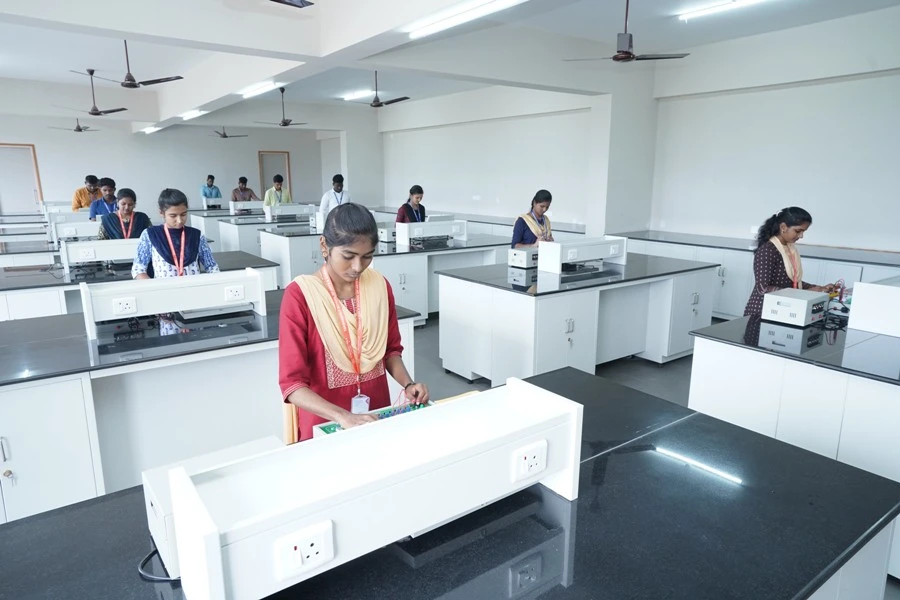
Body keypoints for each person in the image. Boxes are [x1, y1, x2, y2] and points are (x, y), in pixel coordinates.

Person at [279, 203, 429, 442]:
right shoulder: (300, 296)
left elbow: (391, 351)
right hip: (326, 424)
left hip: (376, 414)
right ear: (324, 246)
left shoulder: (379, 287)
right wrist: (343, 417)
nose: (358, 267)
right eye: (348, 256)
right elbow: (292, 384)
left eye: (367, 256)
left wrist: (408, 384)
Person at [132, 189, 220, 335]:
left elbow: (212, 267)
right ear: (161, 213)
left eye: (183, 214)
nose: (179, 220)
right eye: (173, 216)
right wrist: (155, 294)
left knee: (199, 339)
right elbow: (138, 269)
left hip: (196, 300)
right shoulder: (150, 235)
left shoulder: (196, 235)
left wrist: (212, 294)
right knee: (172, 343)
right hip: (165, 302)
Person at [743, 207, 835, 317]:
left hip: (782, 309)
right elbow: (763, 289)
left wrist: (818, 288)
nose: (801, 236)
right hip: (762, 311)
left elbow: (792, 281)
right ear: (783, 227)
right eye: (798, 231)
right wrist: (803, 293)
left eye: (803, 232)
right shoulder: (768, 250)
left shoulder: (789, 249)